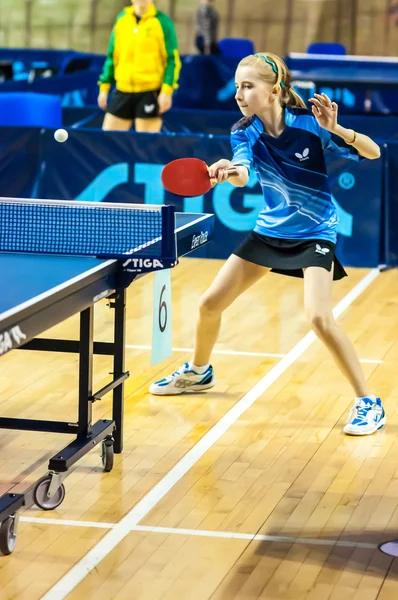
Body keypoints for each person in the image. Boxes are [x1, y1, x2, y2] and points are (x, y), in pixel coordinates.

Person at [149, 52, 385, 437]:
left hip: (315, 232)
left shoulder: (311, 122)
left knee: (318, 317)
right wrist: (229, 170)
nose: (239, 94)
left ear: (274, 90)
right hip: (270, 231)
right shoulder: (244, 131)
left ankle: (367, 402)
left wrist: (337, 128)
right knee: (209, 304)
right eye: (238, 86)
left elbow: (373, 153)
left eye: (248, 86)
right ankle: (198, 371)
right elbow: (244, 173)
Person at [98, 0, 181, 133]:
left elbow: (172, 60)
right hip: (122, 90)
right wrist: (104, 87)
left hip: (149, 92)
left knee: (145, 147)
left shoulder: (163, 23)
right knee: (108, 143)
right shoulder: (121, 20)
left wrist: (166, 91)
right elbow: (112, 56)